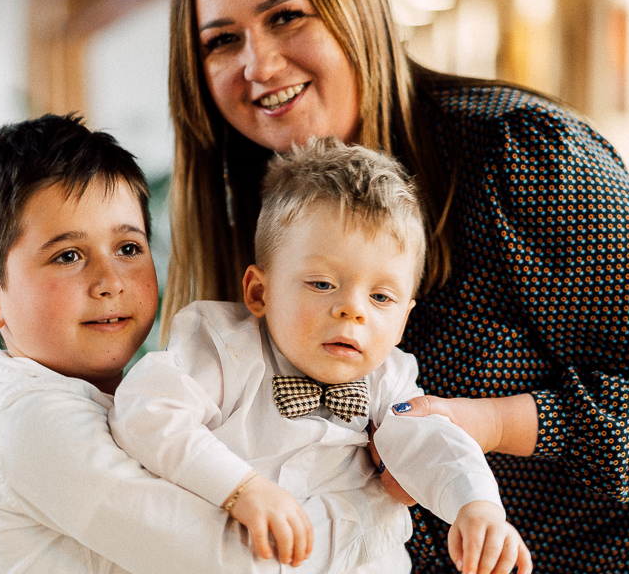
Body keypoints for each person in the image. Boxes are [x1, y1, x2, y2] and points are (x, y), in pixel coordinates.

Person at [161, 0, 629, 572]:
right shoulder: (251, 216)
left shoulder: (519, 153)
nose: (259, 64)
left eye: (286, 16)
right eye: (222, 40)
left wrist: (493, 424)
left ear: (355, 7)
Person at [0, 114, 402, 573]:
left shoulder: (149, 402)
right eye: (68, 256)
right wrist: (377, 505)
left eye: (128, 248)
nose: (110, 281)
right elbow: (235, 562)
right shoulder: (30, 423)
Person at [112, 138, 531, 574]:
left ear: (403, 322)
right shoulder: (223, 349)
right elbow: (146, 409)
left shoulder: (388, 380)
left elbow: (430, 442)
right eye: (322, 284)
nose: (353, 309)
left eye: (381, 297)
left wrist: (477, 505)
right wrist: (240, 487)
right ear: (260, 292)